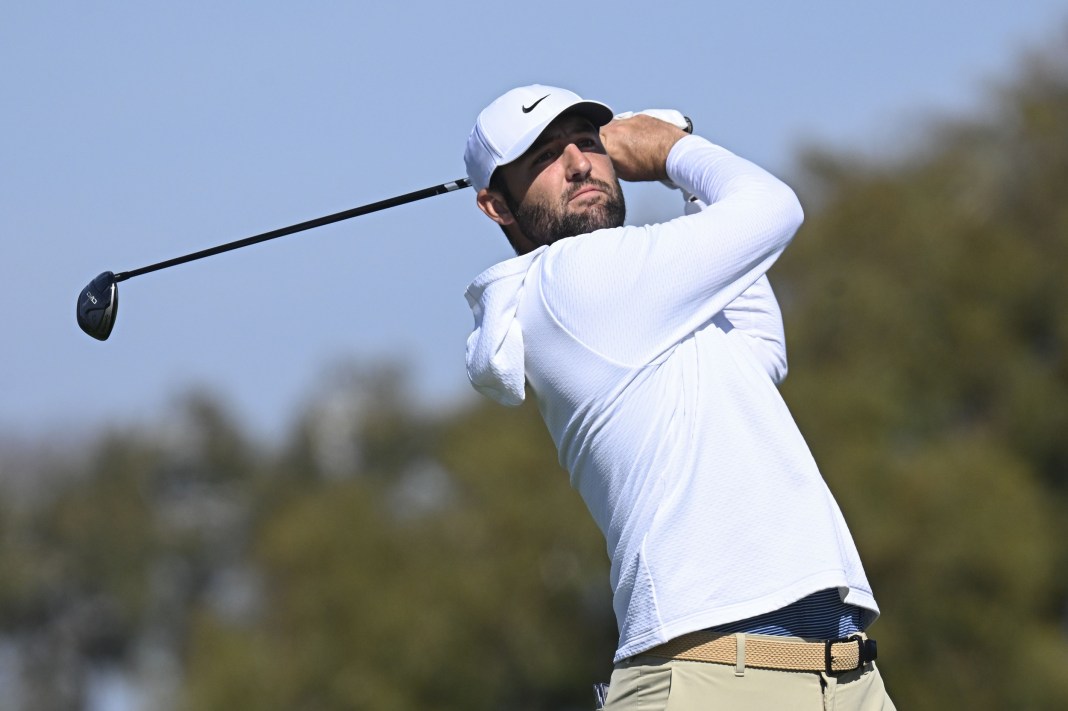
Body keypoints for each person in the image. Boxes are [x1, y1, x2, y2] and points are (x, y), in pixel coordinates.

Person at [461, 84, 895, 710]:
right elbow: (774, 209)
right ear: (497, 207)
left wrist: (689, 182)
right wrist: (673, 152)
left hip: (838, 673)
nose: (581, 163)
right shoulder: (569, 282)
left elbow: (759, 350)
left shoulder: (644, 305)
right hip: (711, 677)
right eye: (545, 158)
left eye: (589, 142)